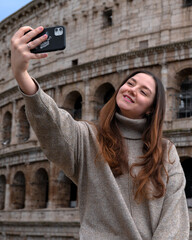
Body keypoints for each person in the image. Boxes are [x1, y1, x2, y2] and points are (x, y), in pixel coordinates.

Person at [11, 26, 190, 240]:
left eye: (143, 91)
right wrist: (22, 75)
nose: (132, 90)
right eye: (130, 83)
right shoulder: (88, 138)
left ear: (152, 108)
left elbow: (174, 219)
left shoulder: (165, 151)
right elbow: (53, 124)